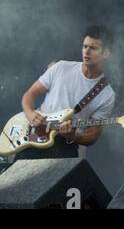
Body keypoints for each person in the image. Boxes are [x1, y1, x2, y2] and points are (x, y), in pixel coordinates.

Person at [14, 25, 116, 160]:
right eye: (85, 46)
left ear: (106, 53)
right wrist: (31, 113)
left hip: (65, 147)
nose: (86, 52)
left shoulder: (107, 95)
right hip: (34, 135)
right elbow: (30, 94)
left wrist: (74, 136)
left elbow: (93, 135)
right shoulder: (61, 67)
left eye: (93, 48)